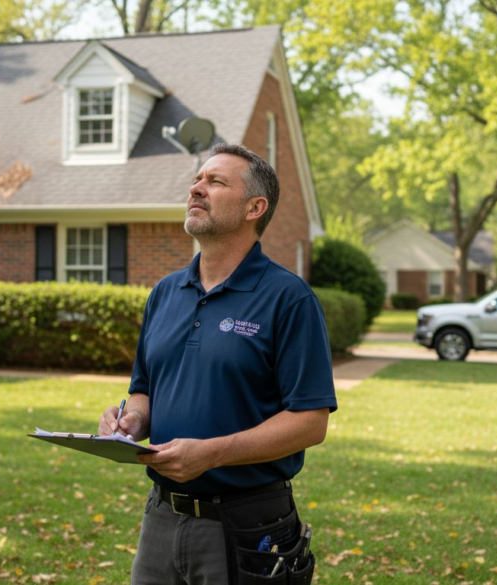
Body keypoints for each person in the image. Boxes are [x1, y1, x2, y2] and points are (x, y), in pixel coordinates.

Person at [98, 142, 337, 584]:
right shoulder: (165, 293)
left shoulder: (288, 299)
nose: (196, 189)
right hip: (160, 517)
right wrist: (130, 422)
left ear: (254, 207)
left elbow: (310, 422)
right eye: (196, 180)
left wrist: (212, 454)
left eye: (215, 181)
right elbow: (144, 387)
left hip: (248, 522)